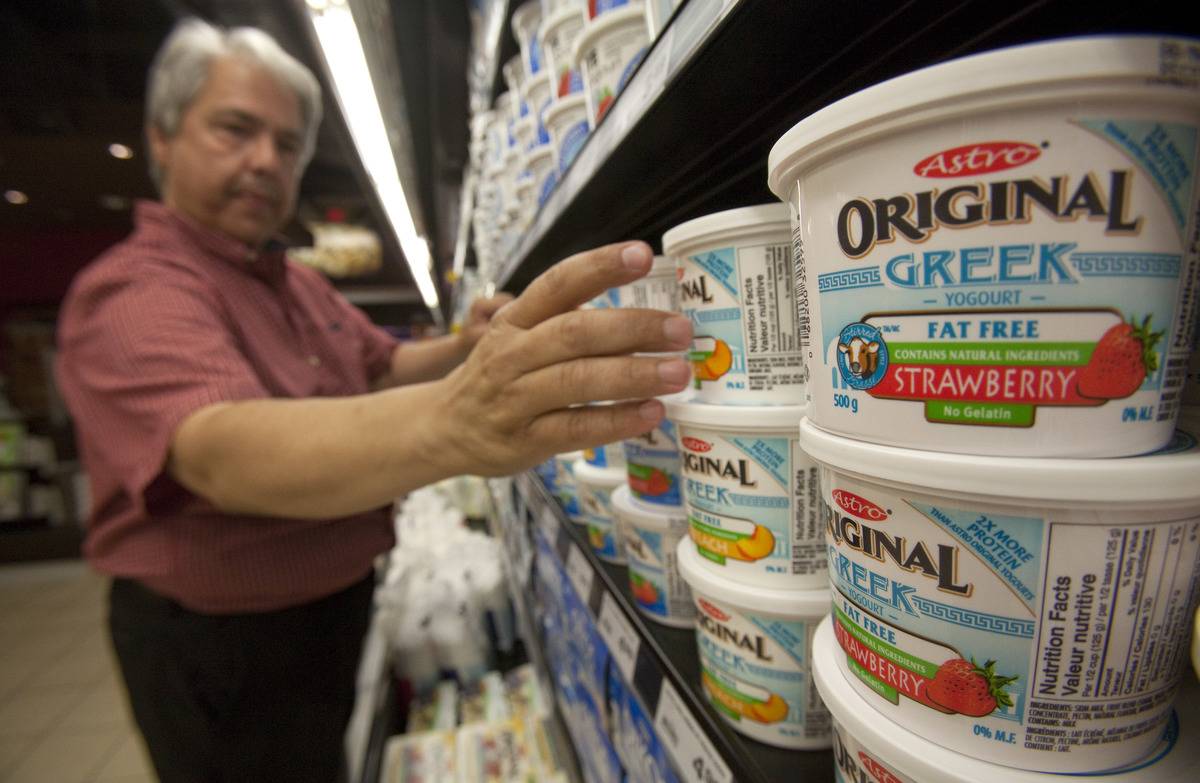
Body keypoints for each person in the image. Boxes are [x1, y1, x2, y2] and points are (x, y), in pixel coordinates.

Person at [54, 18, 693, 783]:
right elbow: (220, 451)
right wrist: (457, 419)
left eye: (287, 145)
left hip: (331, 609)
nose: (266, 161)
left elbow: (381, 364)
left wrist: (462, 344)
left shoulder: (292, 280)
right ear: (162, 138)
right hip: (227, 648)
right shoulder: (136, 291)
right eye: (235, 130)